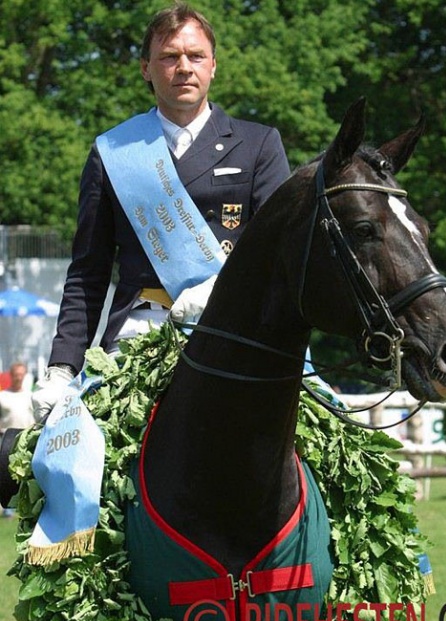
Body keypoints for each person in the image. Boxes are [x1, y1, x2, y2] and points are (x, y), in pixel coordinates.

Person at [32, 2, 290, 423]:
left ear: (213, 66)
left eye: (196, 56)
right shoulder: (113, 152)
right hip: (138, 334)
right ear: (146, 69)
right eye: (169, 57)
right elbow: (88, 272)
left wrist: (217, 292)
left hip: (235, 330)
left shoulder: (259, 144)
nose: (184, 67)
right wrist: (63, 366)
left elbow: (279, 253)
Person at [0, 362, 35, 516]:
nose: (19, 377)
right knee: (4, 473)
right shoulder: (2, 396)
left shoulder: (30, 396)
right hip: (5, 439)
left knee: (23, 474)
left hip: (24, 439)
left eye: (22, 374)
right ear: (11, 375)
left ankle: (23, 507)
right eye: (16, 374)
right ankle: (7, 510)